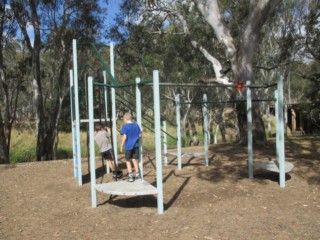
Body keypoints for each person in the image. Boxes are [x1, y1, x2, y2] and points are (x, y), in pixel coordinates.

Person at [120, 112, 142, 182]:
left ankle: (130, 175)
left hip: (129, 146)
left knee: (127, 160)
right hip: (136, 146)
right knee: (134, 160)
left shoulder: (125, 126)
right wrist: (142, 131)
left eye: (124, 119)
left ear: (126, 119)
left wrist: (121, 145)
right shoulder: (136, 125)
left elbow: (125, 136)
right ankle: (138, 174)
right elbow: (140, 134)